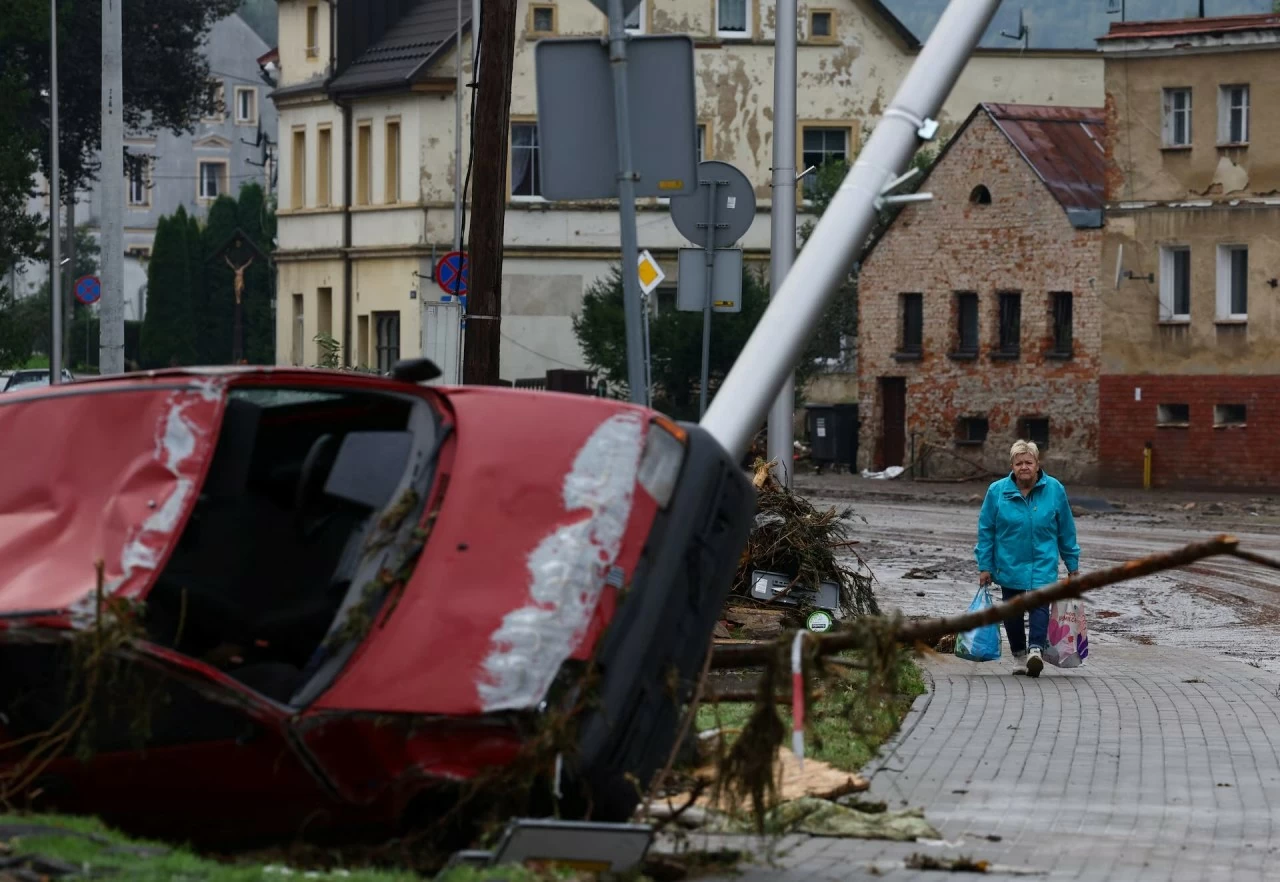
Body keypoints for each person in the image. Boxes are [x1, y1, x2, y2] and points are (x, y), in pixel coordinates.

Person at [974, 440, 1080, 678]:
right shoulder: (997, 492)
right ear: (1012, 466)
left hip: (1043, 562)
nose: (1024, 467)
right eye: (1019, 463)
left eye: (1028, 462)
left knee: (1039, 605)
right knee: (1012, 612)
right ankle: (1019, 655)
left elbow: (1066, 530)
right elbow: (986, 530)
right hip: (1009, 562)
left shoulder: (1054, 490)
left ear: (1037, 464)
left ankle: (1035, 651)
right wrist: (985, 566)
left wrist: (1072, 566)